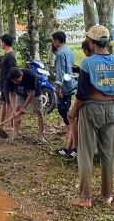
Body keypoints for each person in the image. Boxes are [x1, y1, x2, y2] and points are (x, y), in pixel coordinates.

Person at [67, 25, 113, 208]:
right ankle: (108, 195)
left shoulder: (88, 63)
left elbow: (83, 93)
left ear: (92, 42)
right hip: (111, 109)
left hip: (91, 108)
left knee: (85, 153)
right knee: (108, 154)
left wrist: (73, 111)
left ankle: (85, 197)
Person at [50, 31, 78, 160]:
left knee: (65, 112)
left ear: (56, 40)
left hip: (65, 86)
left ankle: (71, 141)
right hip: (72, 83)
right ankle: (69, 143)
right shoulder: (70, 51)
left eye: (54, 41)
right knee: (67, 113)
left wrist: (58, 87)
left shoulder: (60, 53)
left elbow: (60, 72)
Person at [7, 67, 47, 142]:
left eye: (17, 80)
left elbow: (32, 93)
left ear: (21, 75)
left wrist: (24, 107)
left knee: (39, 112)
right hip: (21, 94)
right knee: (16, 111)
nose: (15, 83)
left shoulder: (31, 76)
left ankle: (41, 136)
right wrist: (13, 109)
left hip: (35, 94)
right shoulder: (9, 78)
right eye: (13, 81)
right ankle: (15, 135)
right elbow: (11, 94)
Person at [0, 34, 17, 126]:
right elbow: (5, 67)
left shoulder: (11, 56)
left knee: (9, 104)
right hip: (3, 83)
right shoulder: (6, 55)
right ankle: (1, 124)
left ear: (4, 43)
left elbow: (13, 71)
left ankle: (12, 124)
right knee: (3, 102)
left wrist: (10, 82)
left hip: (8, 83)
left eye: (1, 42)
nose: (1, 44)